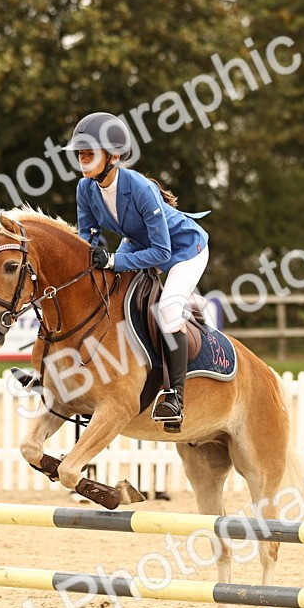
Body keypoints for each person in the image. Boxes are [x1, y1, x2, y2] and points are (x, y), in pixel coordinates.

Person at [65, 111, 209, 431]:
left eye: (90, 152)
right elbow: (88, 235)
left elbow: (162, 252)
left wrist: (114, 261)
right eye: (80, 153)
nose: (83, 158)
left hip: (185, 250)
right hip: (140, 243)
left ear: (114, 155)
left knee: (169, 310)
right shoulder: (85, 189)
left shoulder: (139, 188)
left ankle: (175, 396)